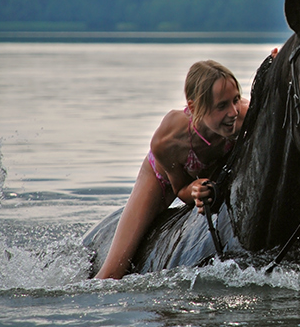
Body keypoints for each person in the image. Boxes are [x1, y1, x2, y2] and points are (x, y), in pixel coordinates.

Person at [95, 59, 249, 279]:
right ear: (194, 107)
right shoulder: (168, 140)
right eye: (222, 106)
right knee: (113, 271)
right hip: (164, 179)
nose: (233, 112)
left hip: (214, 170)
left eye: (236, 100)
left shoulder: (244, 116)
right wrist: (194, 190)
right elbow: (180, 190)